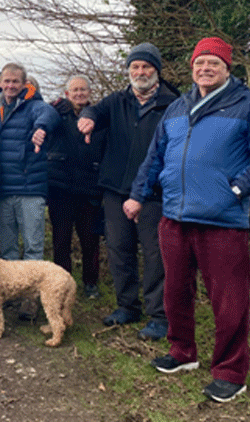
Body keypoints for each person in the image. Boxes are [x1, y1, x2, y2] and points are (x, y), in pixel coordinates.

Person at [127, 37, 250, 402]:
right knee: (175, 290)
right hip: (175, 217)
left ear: (227, 68)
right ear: (192, 67)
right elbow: (155, 156)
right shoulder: (178, 106)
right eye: (200, 63)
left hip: (223, 220)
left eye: (213, 63)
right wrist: (138, 194)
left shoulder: (248, 105)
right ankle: (182, 353)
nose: (205, 69)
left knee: (228, 300)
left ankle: (231, 372)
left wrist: (236, 190)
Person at [78, 42, 180, 340]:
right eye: (135, 66)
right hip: (116, 189)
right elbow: (94, 109)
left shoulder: (172, 104)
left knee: (155, 254)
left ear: (156, 71)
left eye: (146, 66)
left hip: (154, 192)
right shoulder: (117, 100)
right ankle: (127, 306)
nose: (140, 71)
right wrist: (89, 117)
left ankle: (159, 316)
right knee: (119, 249)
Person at [0, 62, 59, 320]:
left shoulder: (35, 105)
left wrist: (41, 129)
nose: (10, 86)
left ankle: (30, 299)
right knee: (7, 248)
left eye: (15, 82)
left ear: (24, 83)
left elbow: (50, 115)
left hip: (29, 188)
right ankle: (10, 292)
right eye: (6, 81)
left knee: (32, 247)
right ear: (0, 83)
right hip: (3, 189)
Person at [45, 76, 105, 299]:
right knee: (61, 239)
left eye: (83, 89)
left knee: (90, 239)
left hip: (89, 187)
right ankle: (62, 283)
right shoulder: (56, 114)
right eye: (75, 90)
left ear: (89, 92)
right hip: (60, 187)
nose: (79, 93)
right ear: (67, 93)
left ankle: (91, 283)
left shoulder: (100, 116)